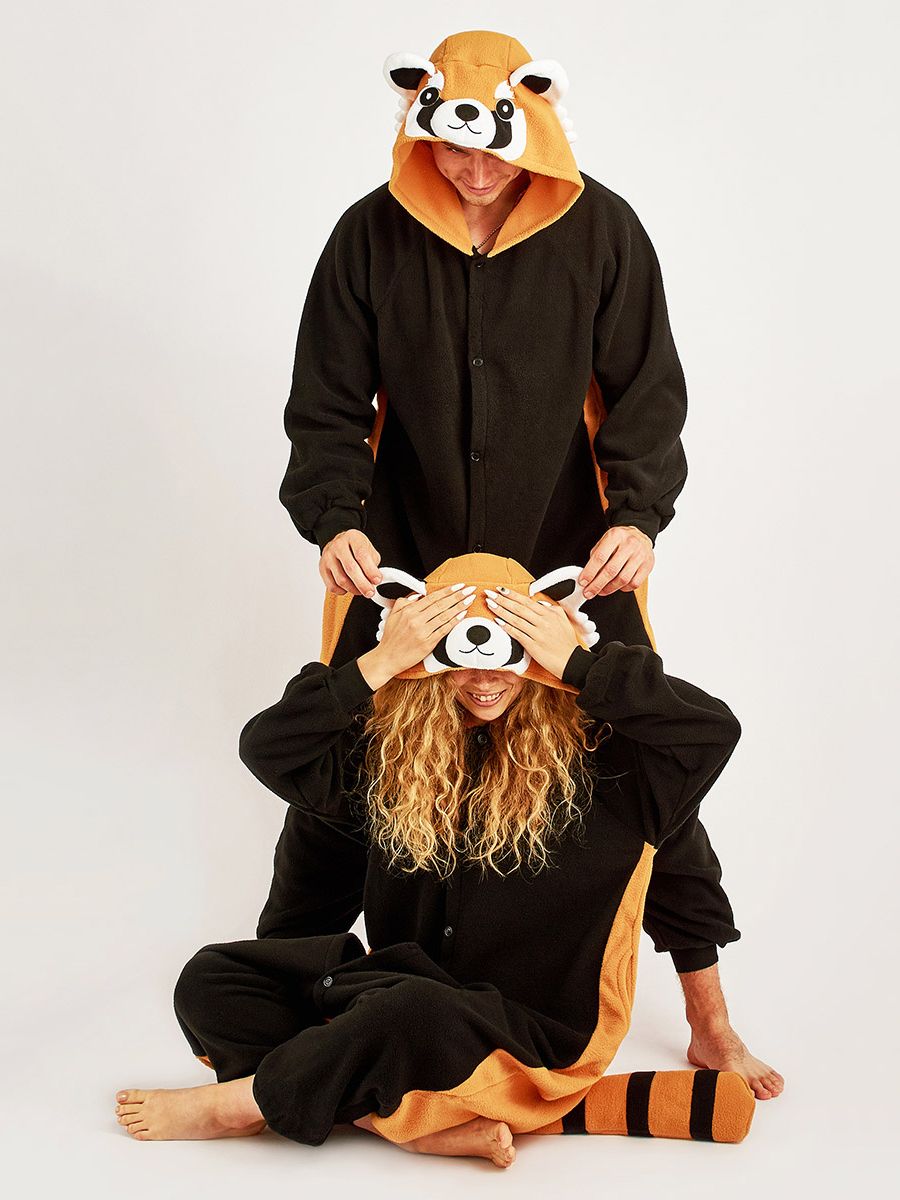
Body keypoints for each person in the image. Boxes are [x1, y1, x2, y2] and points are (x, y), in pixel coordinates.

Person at [264, 28, 782, 1095]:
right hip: (405, 553)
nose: (471, 167)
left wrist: (638, 514)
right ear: (418, 126)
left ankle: (710, 1016)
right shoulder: (367, 234)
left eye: (490, 147)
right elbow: (325, 399)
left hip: (570, 556)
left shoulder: (604, 230)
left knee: (645, 761)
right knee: (341, 757)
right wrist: (333, 519)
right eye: (450, 146)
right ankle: (283, 995)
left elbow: (647, 390)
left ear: (535, 121)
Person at [114, 555, 765, 1159]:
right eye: (460, 655)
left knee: (407, 1015)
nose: (484, 679)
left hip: (528, 1036)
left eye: (510, 654)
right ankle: (405, 1121)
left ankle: (246, 1105)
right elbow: (268, 748)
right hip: (402, 995)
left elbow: (713, 731)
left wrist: (578, 665)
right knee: (214, 979)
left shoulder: (618, 766)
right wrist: (378, 662)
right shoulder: (395, 758)